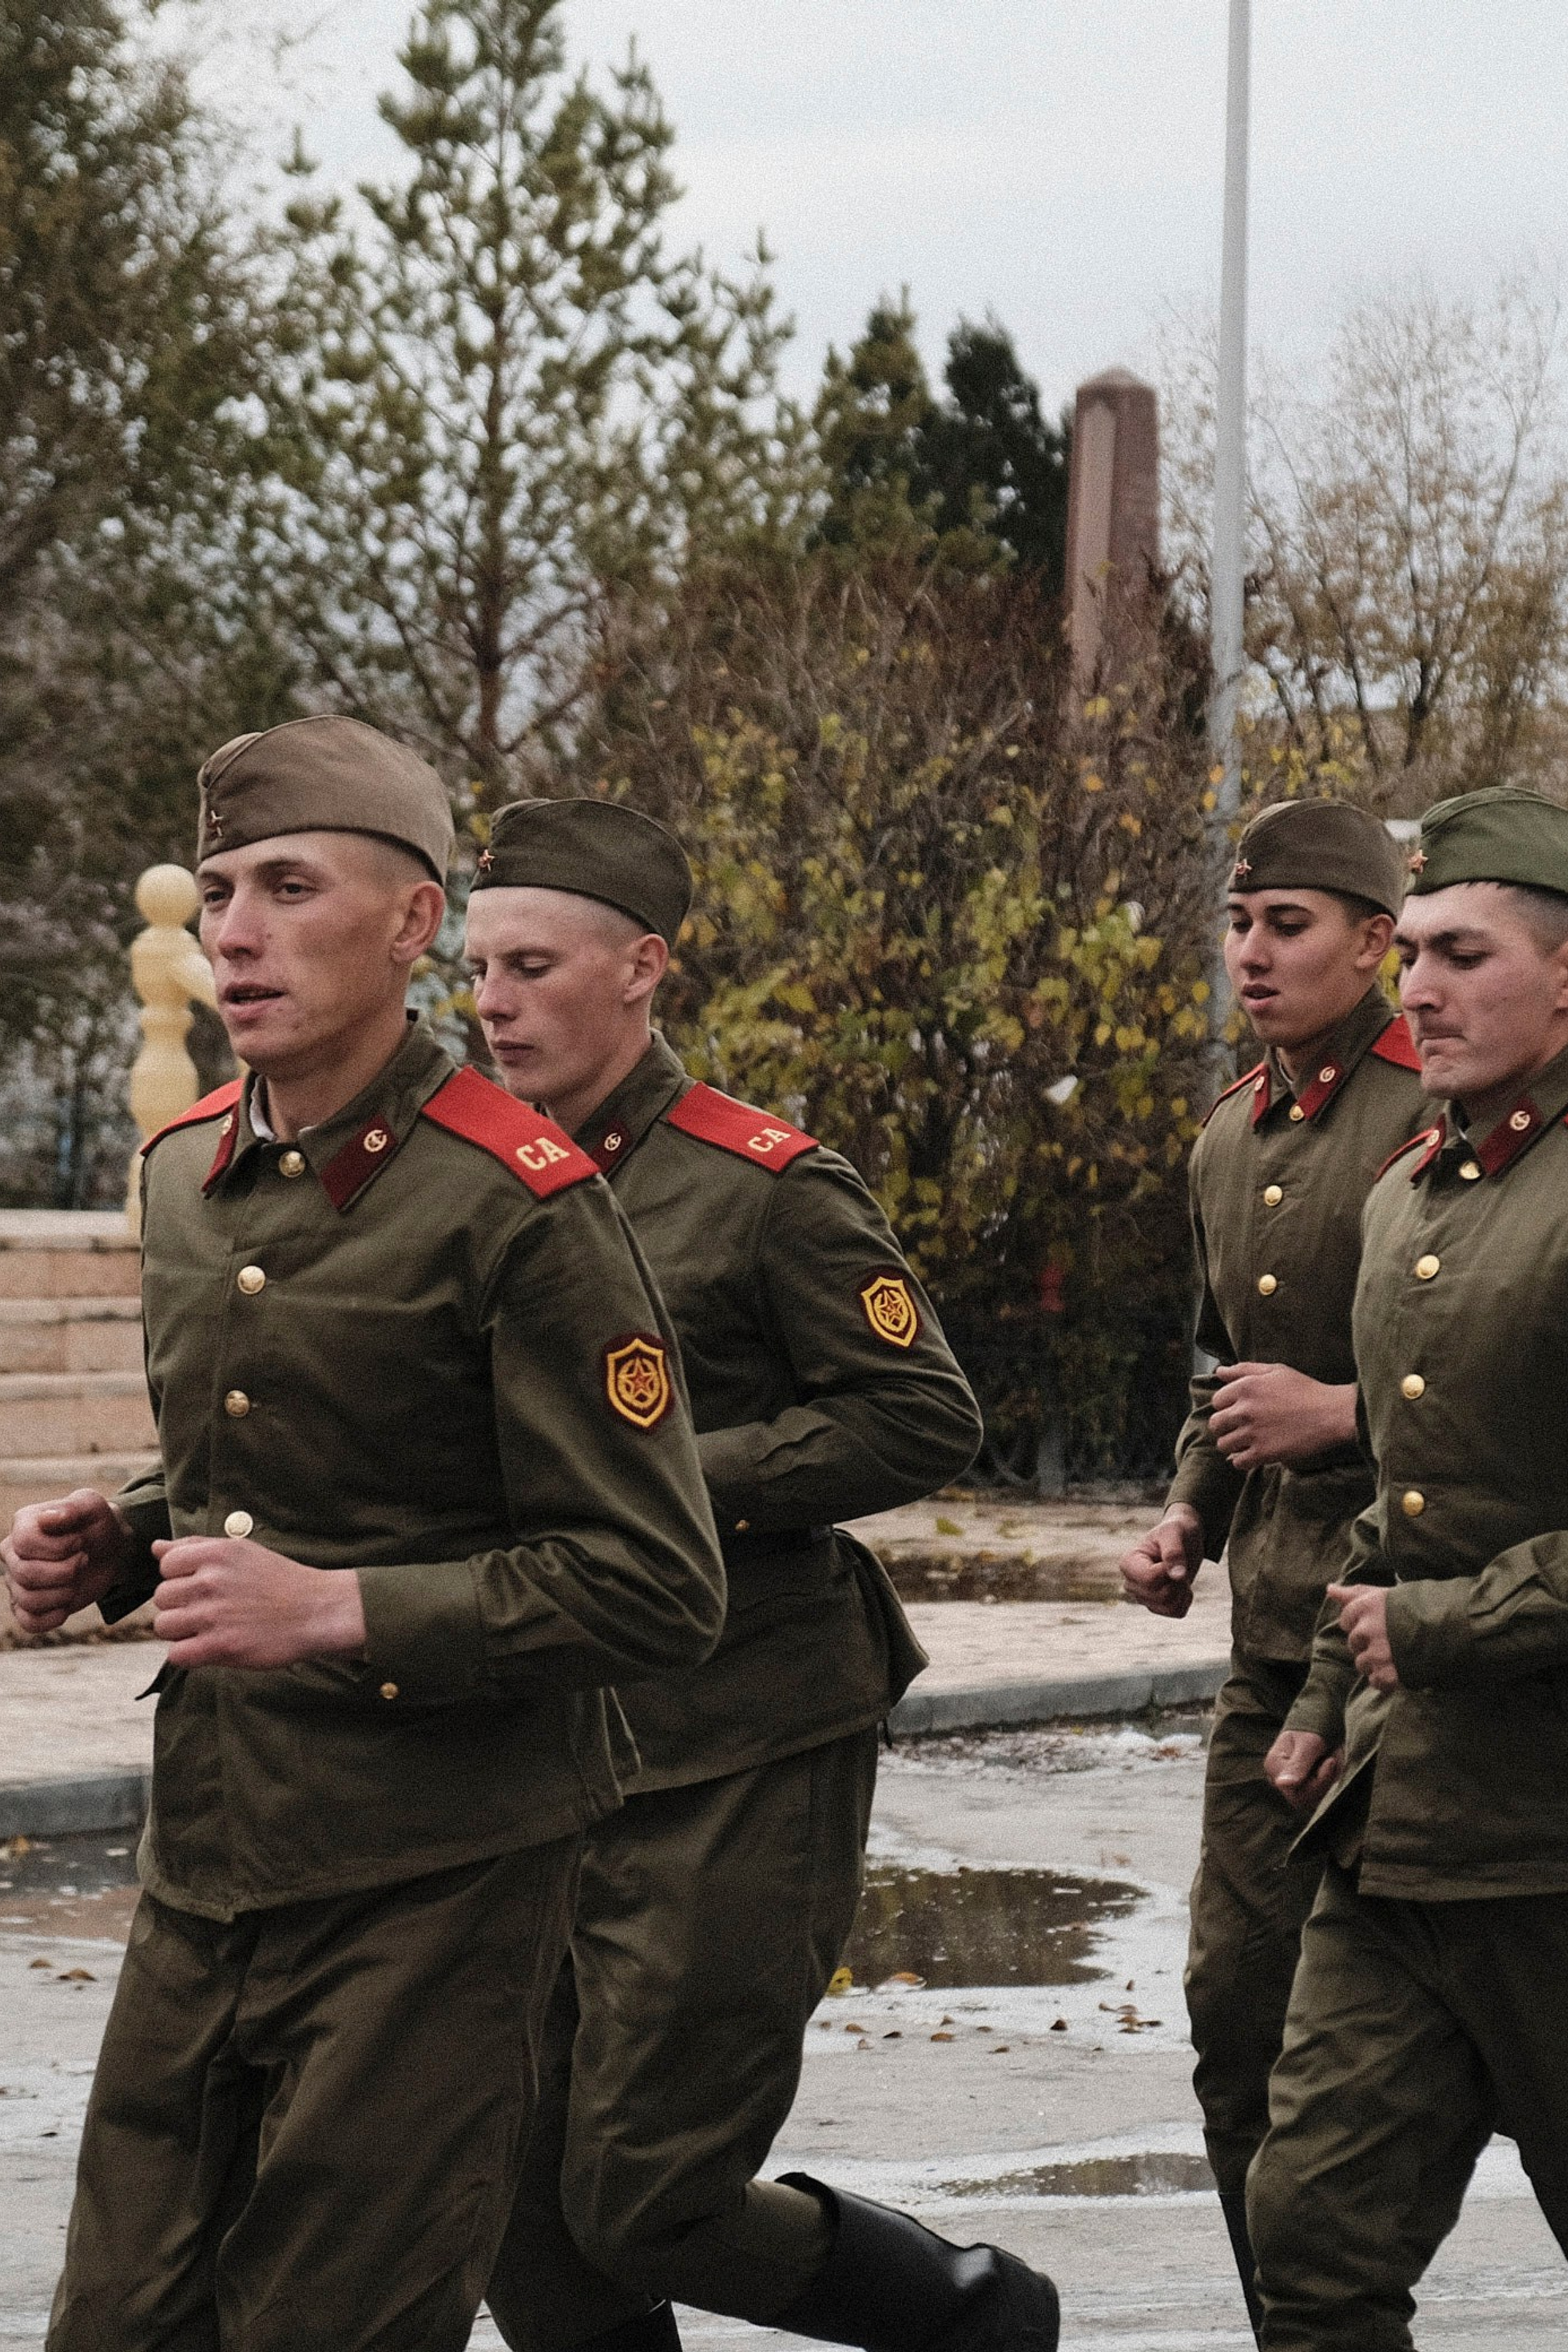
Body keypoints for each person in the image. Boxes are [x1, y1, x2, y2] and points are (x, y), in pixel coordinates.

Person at [1, 718, 725, 2352]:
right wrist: (116, 1540)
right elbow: (258, 1470)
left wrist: (338, 1613)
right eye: (223, 894)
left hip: (433, 1882)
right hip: (208, 1861)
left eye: (289, 888)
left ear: (413, 927)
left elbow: (659, 1584)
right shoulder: (188, 1176)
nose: (234, 934)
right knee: (110, 2325)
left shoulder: (520, 1203)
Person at [464, 799, 1059, 2352]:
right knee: (516, 2197)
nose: (492, 1001)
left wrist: (653, 1488)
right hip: (536, 1736)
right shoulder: (469, 1183)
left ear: (640, 968)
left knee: (648, 2193)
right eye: (474, 971)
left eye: (531, 966)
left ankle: (972, 2315)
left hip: (743, 1730)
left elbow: (922, 1414)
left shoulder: (762, 1184)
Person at [1248, 785, 1568, 2350]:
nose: (1418, 988)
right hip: (1396, 1827)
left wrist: (1440, 1629)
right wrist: (1321, 1688)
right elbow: (1403, 1485)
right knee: (1306, 2243)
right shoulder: (1406, 1195)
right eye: (1414, 952)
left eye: (1462, 952)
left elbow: (1437, 1574)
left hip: (1554, 1838)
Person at [1117, 799, 1422, 2335]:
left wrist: (1341, 1416)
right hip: (1269, 1650)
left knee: (1441, 2047)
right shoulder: (1226, 1137)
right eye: (1237, 924)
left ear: (1378, 943)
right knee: (1234, 2026)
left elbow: (1478, 1376)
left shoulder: (1436, 1110)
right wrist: (1190, 1516)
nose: (1248, 953)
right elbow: (1223, 1367)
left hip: (1420, 1643)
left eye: (1285, 925)